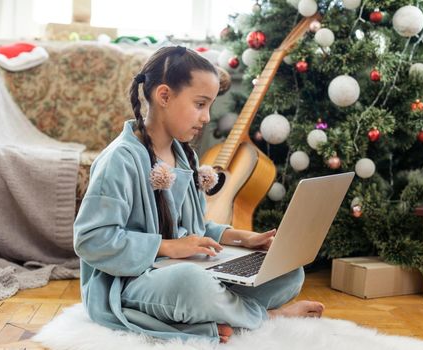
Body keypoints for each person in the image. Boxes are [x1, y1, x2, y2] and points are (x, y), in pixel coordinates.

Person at [73, 45, 324, 344]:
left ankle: (215, 314)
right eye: (200, 104)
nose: (206, 117)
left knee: (287, 272)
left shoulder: (184, 156)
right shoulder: (120, 160)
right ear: (164, 96)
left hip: (187, 266)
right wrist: (168, 247)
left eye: (210, 106)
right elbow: (91, 240)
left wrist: (243, 239)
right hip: (132, 282)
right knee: (191, 283)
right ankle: (264, 318)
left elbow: (195, 231)